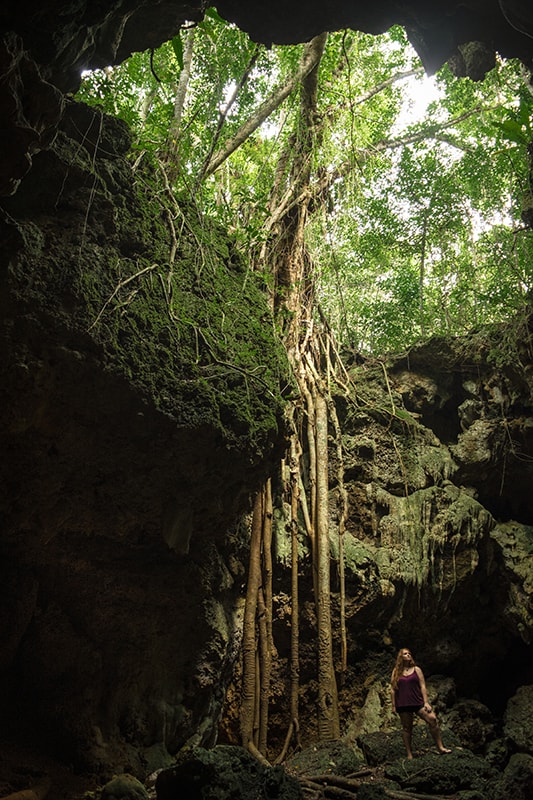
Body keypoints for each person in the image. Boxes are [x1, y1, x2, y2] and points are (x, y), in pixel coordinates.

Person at [390, 647, 452, 759]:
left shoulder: (416, 670)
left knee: (432, 719)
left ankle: (440, 747)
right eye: (405, 654)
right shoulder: (396, 671)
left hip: (417, 701)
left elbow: (423, 686)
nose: (408, 655)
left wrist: (426, 702)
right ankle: (409, 754)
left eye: (409, 653)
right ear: (400, 657)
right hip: (403, 703)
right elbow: (393, 689)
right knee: (407, 728)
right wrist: (393, 705)